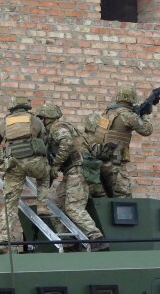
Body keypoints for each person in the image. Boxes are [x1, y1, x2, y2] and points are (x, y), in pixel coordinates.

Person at [0, 95, 50, 253]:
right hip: (34, 163)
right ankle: (42, 205)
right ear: (27, 106)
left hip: (13, 165)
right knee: (45, 174)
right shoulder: (35, 121)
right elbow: (44, 139)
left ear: (11, 107)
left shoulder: (4, 122)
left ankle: (3, 241)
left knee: (9, 204)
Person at [35, 103, 107, 250]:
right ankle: (68, 242)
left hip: (79, 169)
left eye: (42, 118)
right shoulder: (52, 131)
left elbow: (66, 143)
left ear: (49, 118)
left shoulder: (58, 128)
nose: (41, 121)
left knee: (74, 207)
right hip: (71, 171)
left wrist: (55, 165)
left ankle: (97, 238)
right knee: (57, 205)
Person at [89, 84, 154, 198]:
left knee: (105, 196)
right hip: (115, 164)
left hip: (99, 160)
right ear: (132, 98)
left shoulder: (107, 113)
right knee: (124, 198)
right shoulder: (128, 116)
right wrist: (144, 116)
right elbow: (147, 130)